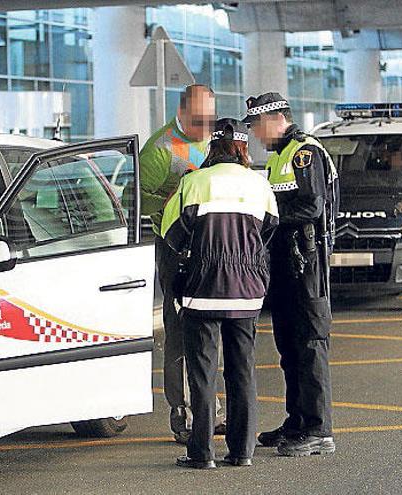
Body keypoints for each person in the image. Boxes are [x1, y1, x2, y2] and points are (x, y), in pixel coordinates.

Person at [162, 118, 279, 469]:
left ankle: (202, 453)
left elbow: (171, 235)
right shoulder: (260, 185)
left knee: (202, 373)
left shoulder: (193, 183)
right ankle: (242, 451)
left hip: (203, 291)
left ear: (212, 148)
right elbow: (270, 233)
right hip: (247, 292)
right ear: (243, 149)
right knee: (242, 371)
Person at [244, 93, 339, 457]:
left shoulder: (304, 152)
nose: (254, 133)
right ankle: (297, 420)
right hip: (287, 264)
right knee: (290, 347)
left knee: (310, 344)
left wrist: (266, 211)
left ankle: (318, 429)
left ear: (274, 119)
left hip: (307, 263)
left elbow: (312, 205)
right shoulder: (280, 157)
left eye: (256, 125)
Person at [139, 84, 224, 443]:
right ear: (181, 111)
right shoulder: (159, 151)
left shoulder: (215, 140)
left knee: (210, 328)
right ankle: (181, 410)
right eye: (199, 120)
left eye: (211, 119)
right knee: (179, 331)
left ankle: (210, 408)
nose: (206, 127)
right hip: (176, 247)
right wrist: (174, 199)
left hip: (214, 245)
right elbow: (139, 202)